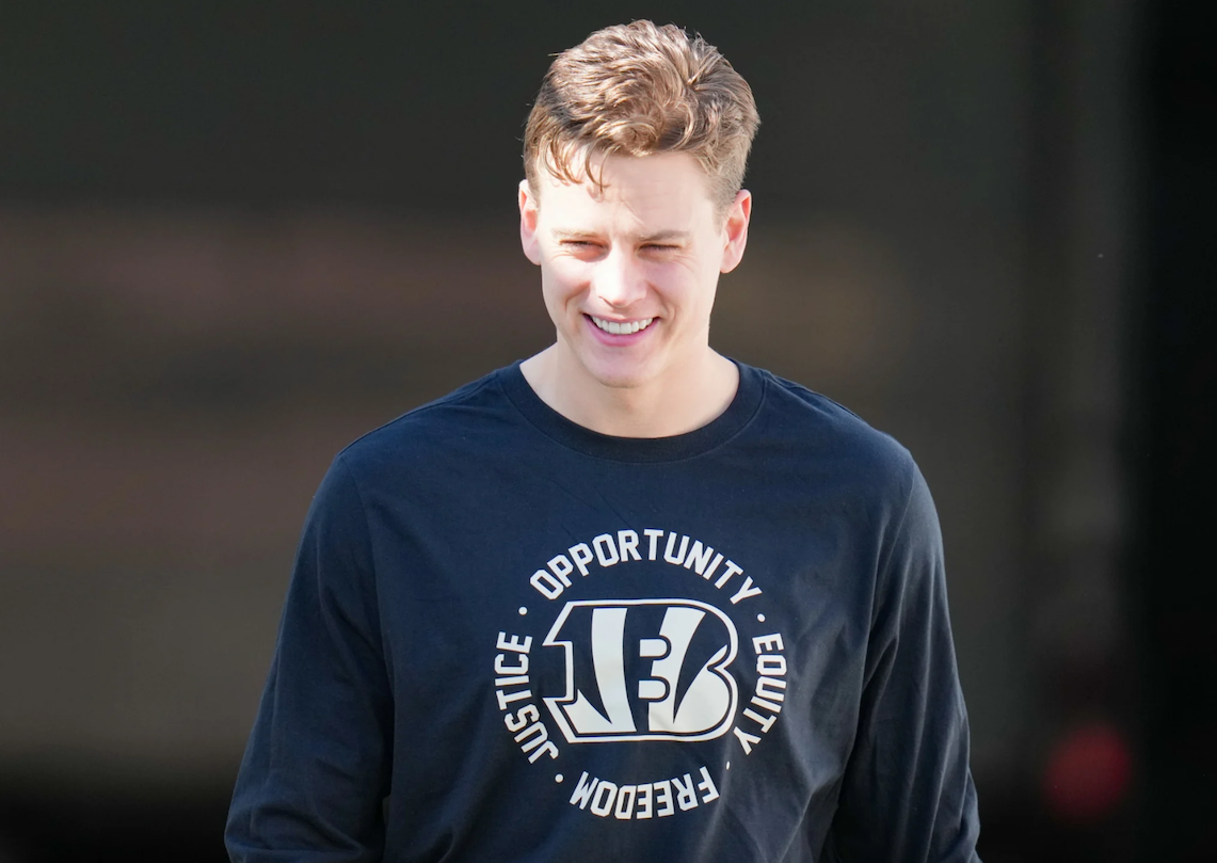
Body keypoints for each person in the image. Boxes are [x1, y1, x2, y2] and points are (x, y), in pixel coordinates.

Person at [226, 20, 981, 862]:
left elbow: (926, 845)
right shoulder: (390, 494)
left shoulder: (863, 494)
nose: (618, 290)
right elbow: (292, 835)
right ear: (529, 222)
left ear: (731, 234)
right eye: (583, 244)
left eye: (660, 247)